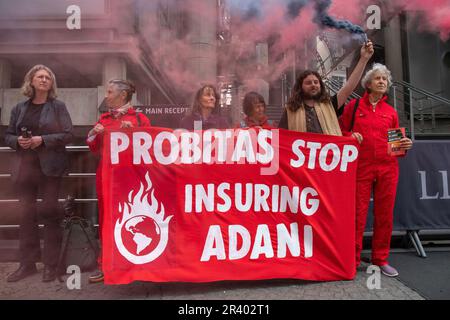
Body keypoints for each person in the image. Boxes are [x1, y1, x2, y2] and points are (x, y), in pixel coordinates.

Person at [339, 63, 413, 277]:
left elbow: (396, 148)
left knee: (385, 215)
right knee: (357, 215)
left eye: (385, 79)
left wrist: (404, 145)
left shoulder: (391, 112)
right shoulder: (354, 107)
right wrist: (349, 137)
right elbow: (340, 131)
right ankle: (352, 260)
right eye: (378, 78)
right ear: (368, 83)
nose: (382, 82)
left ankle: (380, 258)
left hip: (387, 168)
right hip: (361, 167)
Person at [4, 65, 73, 282]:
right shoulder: (19, 108)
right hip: (25, 169)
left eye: (48, 78)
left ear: (51, 84)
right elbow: (8, 135)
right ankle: (27, 264)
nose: (44, 80)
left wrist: (42, 140)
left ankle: (51, 265)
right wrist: (19, 141)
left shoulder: (58, 106)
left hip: (50, 168)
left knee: (50, 214)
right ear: (31, 82)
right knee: (25, 216)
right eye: (40, 77)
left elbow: (68, 134)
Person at [86, 79, 150, 283]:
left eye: (110, 92)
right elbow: (94, 149)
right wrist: (95, 135)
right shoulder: (103, 119)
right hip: (107, 178)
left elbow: (150, 148)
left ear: (123, 95)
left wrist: (133, 133)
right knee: (106, 219)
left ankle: (136, 262)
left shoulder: (140, 119)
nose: (106, 95)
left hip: (132, 181)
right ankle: (106, 264)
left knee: (134, 219)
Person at [278, 41, 374, 134]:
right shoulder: (290, 109)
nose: (313, 85)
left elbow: (348, 88)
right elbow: (278, 135)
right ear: (300, 87)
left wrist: (364, 59)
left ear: (321, 85)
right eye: (308, 83)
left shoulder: (330, 105)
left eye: (316, 82)